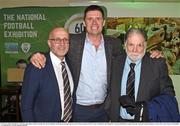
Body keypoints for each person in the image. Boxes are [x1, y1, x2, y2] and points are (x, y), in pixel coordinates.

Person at [29, 5, 162, 122]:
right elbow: (56, 48)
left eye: (98, 18)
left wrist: (151, 55)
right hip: (78, 110)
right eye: (90, 19)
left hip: (104, 110)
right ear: (84, 23)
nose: (94, 22)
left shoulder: (113, 44)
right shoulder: (73, 41)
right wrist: (36, 55)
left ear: (103, 22)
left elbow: (132, 54)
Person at [107, 28, 180, 122]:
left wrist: (148, 108)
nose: (135, 50)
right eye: (131, 45)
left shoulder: (157, 64)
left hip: (146, 120)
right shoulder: (115, 62)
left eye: (139, 45)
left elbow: (169, 95)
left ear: (145, 45)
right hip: (118, 120)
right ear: (125, 44)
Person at [21, 27, 74, 122]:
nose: (62, 43)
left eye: (65, 40)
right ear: (49, 43)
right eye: (57, 40)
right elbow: (26, 107)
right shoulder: (36, 66)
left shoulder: (71, 64)